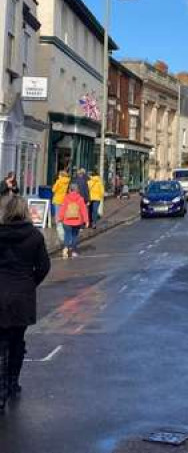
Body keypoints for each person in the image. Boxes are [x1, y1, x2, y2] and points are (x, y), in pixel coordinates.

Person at [0, 194, 51, 410]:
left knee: (1, 342)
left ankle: (1, 390)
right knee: (17, 341)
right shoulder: (34, 236)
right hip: (22, 294)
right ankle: (12, 382)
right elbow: (43, 267)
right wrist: (30, 283)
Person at [58, 183, 89, 259]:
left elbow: (63, 209)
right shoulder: (80, 199)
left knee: (67, 235)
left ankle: (65, 248)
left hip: (66, 221)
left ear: (70, 189)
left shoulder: (66, 198)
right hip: (77, 221)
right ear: (77, 190)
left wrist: (60, 218)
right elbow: (84, 210)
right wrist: (86, 220)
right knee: (74, 236)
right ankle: (74, 251)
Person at [50, 170, 70, 250]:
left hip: (57, 200)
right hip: (64, 200)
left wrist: (56, 183)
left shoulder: (59, 181)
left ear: (60, 175)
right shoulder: (67, 181)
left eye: (59, 174)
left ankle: (60, 230)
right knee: (62, 215)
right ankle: (62, 227)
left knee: (57, 216)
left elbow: (53, 190)